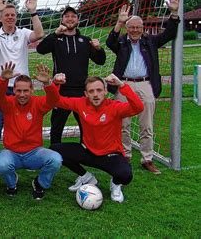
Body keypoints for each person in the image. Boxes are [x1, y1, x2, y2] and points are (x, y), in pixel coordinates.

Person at [106, 0, 180, 174]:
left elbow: (169, 33)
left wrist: (174, 13)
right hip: (124, 85)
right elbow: (110, 42)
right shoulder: (122, 42)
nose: (135, 30)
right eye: (131, 27)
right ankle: (125, 155)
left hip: (145, 84)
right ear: (127, 28)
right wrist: (119, 23)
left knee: (146, 124)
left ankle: (147, 158)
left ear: (143, 28)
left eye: (138, 27)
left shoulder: (150, 41)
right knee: (123, 123)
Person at [50, 74, 144, 203]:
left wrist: (122, 85)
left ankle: (116, 184)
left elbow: (138, 107)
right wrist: (54, 84)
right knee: (55, 150)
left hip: (110, 155)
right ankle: (86, 177)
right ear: (86, 94)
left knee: (125, 175)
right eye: (91, 91)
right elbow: (55, 100)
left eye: (99, 90)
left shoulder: (115, 107)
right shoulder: (80, 103)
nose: (95, 94)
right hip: (88, 151)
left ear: (105, 91)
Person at [0, 0, 45, 174]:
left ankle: (27, 155)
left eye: (13, 15)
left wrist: (33, 12)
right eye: (6, 15)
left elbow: (40, 33)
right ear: (2, 18)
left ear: (16, 17)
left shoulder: (23, 33)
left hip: (21, 87)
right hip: (0, 85)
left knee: (26, 122)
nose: (10, 17)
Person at [36, 6, 106, 145]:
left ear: (78, 20)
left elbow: (101, 61)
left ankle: (86, 151)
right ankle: (56, 152)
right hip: (61, 91)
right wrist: (55, 33)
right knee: (57, 126)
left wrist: (99, 49)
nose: (70, 18)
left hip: (81, 91)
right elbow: (40, 49)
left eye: (73, 16)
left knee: (85, 125)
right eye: (67, 16)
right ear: (62, 20)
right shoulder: (56, 39)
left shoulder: (85, 41)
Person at [0, 61, 62, 200]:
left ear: (32, 90)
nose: (22, 94)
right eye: (19, 90)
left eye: (26, 91)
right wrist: (3, 80)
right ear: (13, 91)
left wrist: (48, 84)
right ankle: (12, 183)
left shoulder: (38, 103)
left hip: (34, 153)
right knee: (2, 164)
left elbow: (54, 99)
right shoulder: (8, 104)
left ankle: (40, 183)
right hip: (12, 152)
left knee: (56, 159)